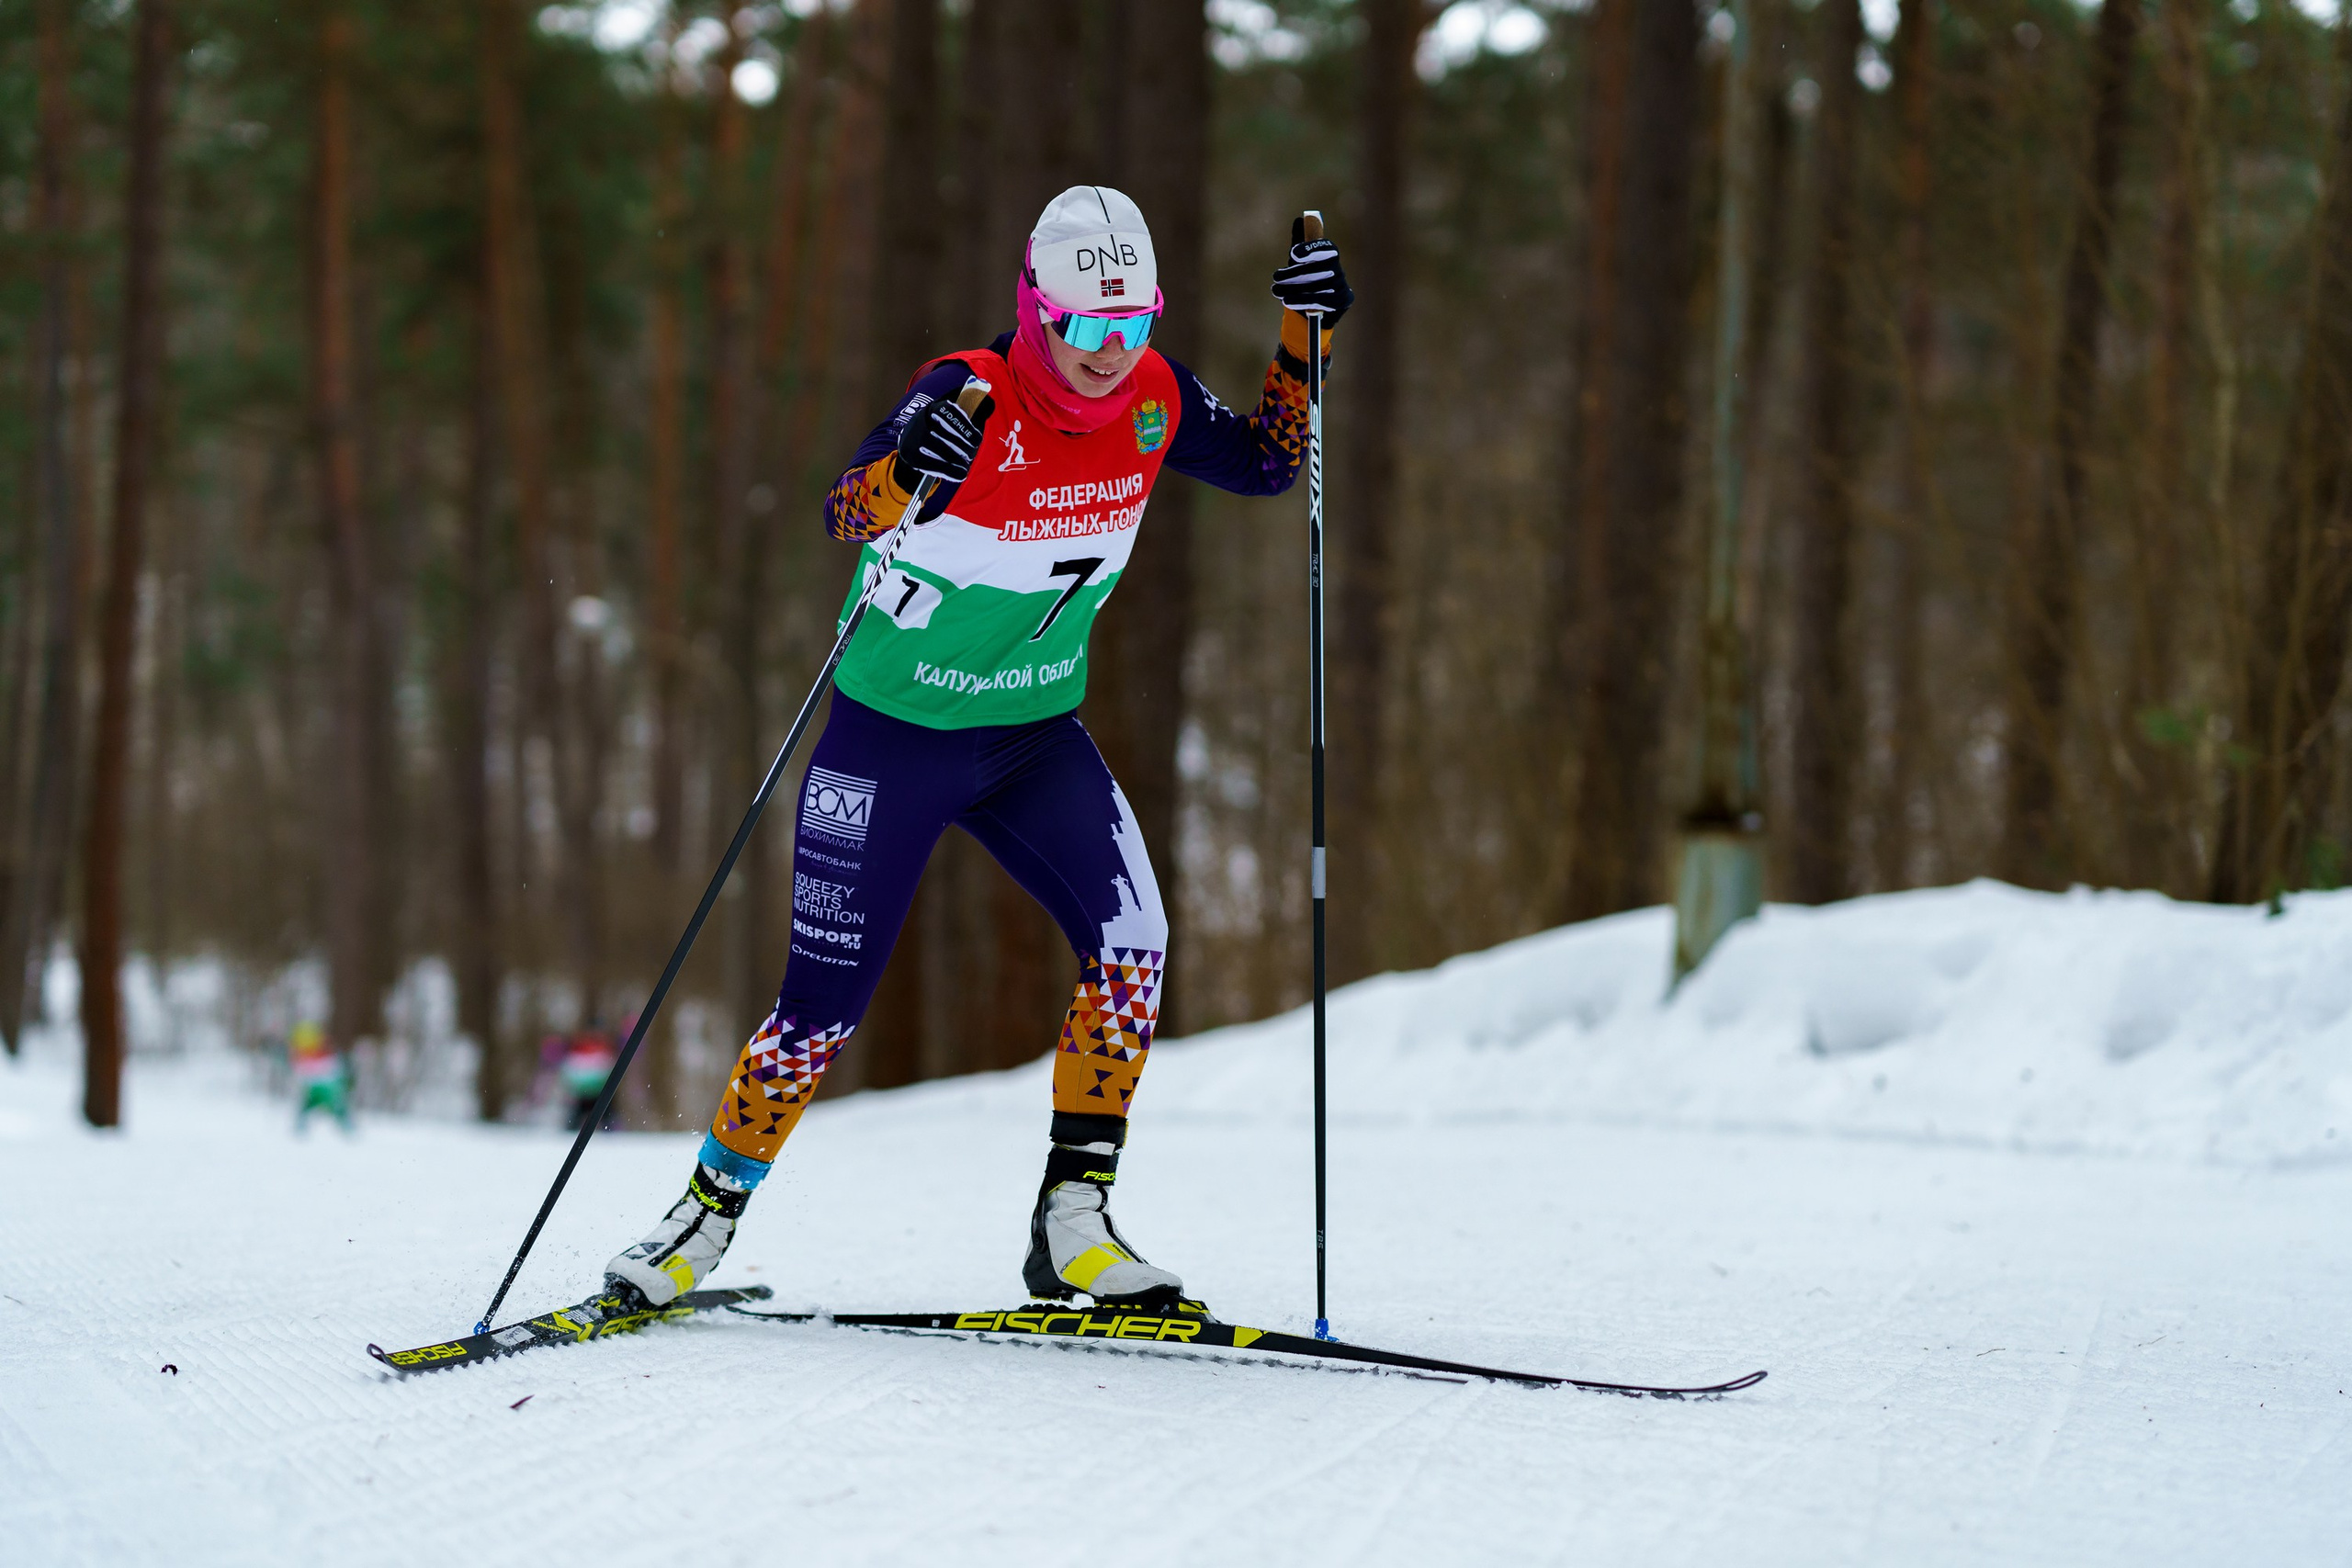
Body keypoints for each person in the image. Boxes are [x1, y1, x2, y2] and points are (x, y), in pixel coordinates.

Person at [603, 186, 1351, 1314]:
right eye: (1083, 324)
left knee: (1134, 944)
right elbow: (843, 514)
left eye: (1131, 321)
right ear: (1035, 308)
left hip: (1032, 737)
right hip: (889, 743)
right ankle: (699, 1223)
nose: (1108, 350)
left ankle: (1073, 1223)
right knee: (819, 1008)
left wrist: (1305, 335)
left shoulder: (1152, 394)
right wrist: (909, 470)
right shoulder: (967, 389)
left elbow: (1267, 462)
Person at [289, 1021, 352, 1134]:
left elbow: (338, 1069)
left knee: (337, 1108)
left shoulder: (328, 1053)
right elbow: (297, 1068)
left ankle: (349, 1129)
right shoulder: (302, 1056)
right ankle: (299, 1130)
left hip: (328, 1088)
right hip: (315, 1088)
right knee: (306, 1107)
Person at [560, 1022, 621, 1132]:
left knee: (607, 1118)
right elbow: (571, 1069)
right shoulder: (579, 1049)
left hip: (599, 1091)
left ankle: (611, 1132)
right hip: (584, 1091)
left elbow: (609, 1067)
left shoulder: (604, 1048)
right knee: (577, 1117)